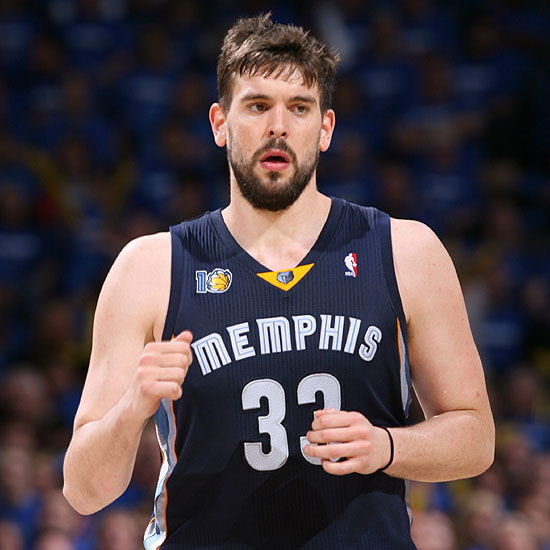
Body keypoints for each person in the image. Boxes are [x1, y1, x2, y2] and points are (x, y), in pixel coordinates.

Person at [63, 14, 495, 549]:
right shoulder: (148, 268)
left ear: (326, 128)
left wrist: (386, 447)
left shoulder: (406, 251)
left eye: (299, 107)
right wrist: (134, 405)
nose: (278, 127)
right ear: (220, 123)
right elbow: (83, 491)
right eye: (257, 106)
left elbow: (476, 438)